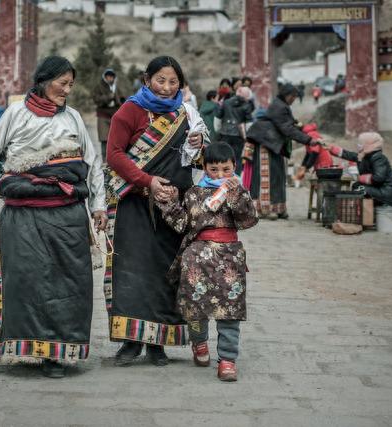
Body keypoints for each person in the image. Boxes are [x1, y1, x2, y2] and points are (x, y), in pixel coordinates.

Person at [0, 56, 107, 379]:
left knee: (68, 285)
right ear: (42, 80)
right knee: (27, 282)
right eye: (62, 83)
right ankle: (27, 347)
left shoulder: (75, 119)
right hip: (23, 218)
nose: (67, 90)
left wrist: (98, 207)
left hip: (67, 218)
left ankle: (57, 353)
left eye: (70, 85)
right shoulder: (16, 114)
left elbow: (92, 166)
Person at [105, 55, 207, 367]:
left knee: (165, 273)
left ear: (181, 84)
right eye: (160, 80)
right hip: (135, 204)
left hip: (173, 209)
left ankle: (158, 343)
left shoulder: (187, 114)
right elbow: (114, 155)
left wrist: (200, 144)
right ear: (147, 79)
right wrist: (147, 181)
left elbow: (199, 160)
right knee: (132, 272)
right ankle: (131, 342)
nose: (166, 87)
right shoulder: (130, 110)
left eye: (173, 81)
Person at [156, 142, 258, 381]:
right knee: (195, 308)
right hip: (197, 259)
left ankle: (227, 360)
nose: (220, 174)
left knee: (230, 311)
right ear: (204, 167)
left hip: (230, 258)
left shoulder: (239, 191)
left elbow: (248, 221)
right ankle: (199, 343)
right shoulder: (193, 193)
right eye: (214, 169)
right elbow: (182, 224)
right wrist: (170, 203)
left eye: (226, 169)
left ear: (234, 166)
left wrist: (234, 196)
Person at [242, 83, 318, 220]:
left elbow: (288, 124)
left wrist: (299, 126)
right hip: (265, 141)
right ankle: (264, 209)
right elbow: (287, 129)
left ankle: (278, 208)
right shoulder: (279, 107)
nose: (294, 99)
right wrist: (308, 140)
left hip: (273, 143)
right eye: (293, 96)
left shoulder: (281, 105)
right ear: (287, 95)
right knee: (267, 176)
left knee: (277, 175)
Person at [327, 132, 392, 207]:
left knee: (359, 188)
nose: (359, 145)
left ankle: (357, 212)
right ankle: (361, 213)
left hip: (387, 195)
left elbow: (378, 178)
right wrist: (332, 149)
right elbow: (351, 155)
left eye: (361, 143)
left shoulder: (378, 158)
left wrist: (360, 178)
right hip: (380, 191)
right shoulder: (367, 156)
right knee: (356, 186)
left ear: (369, 145)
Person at [215, 86, 254, 175]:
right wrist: (248, 136)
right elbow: (249, 123)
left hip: (224, 134)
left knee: (224, 156)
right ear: (247, 96)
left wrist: (218, 130)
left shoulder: (226, 102)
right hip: (239, 135)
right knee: (238, 158)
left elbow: (218, 117)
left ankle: (223, 177)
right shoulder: (246, 105)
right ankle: (236, 178)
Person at [93, 68, 124, 163]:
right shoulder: (99, 87)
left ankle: (114, 161)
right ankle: (105, 161)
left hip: (114, 116)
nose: (110, 78)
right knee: (104, 139)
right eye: (108, 76)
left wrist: (121, 101)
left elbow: (122, 98)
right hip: (103, 115)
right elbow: (96, 99)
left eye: (111, 76)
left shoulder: (116, 87)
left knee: (116, 139)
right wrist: (108, 97)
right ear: (105, 77)